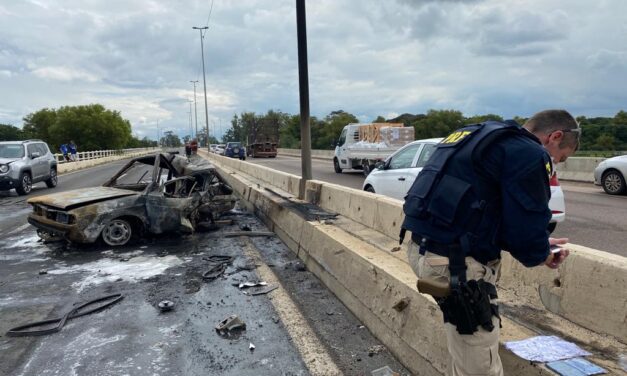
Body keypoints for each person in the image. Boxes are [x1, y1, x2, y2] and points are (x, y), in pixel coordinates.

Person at [402, 109, 580, 376]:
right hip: (456, 265)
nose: (556, 162)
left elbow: (484, 215)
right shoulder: (530, 154)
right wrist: (542, 251)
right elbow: (525, 227)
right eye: (561, 157)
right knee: (479, 368)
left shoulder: (480, 136)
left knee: (465, 352)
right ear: (555, 136)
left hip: (424, 248)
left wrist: (538, 241)